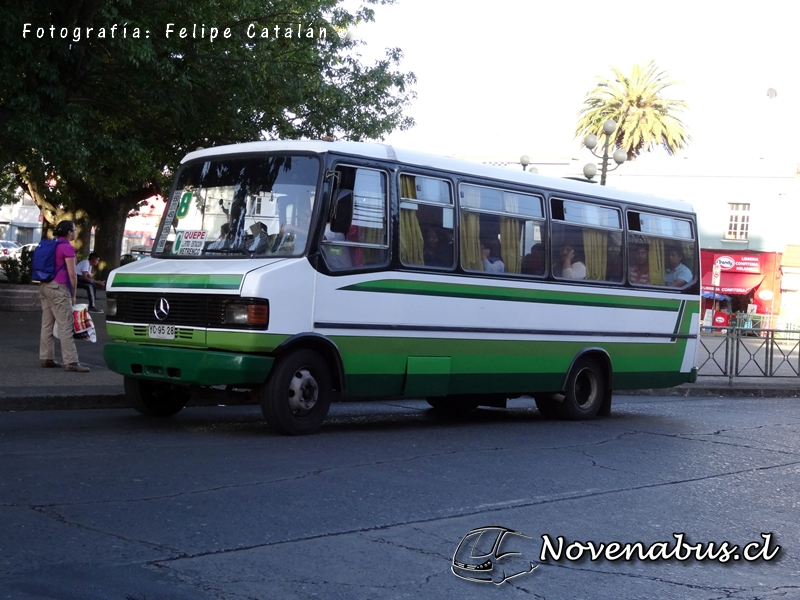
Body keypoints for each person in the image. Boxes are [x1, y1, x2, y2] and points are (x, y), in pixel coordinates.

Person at [39, 220, 90, 372]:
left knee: (47, 323)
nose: (75, 232)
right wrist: (73, 294)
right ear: (69, 232)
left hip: (44, 286)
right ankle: (71, 362)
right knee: (65, 324)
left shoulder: (49, 245)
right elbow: (72, 274)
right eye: (74, 229)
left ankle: (46, 357)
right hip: (59, 288)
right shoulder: (67, 248)